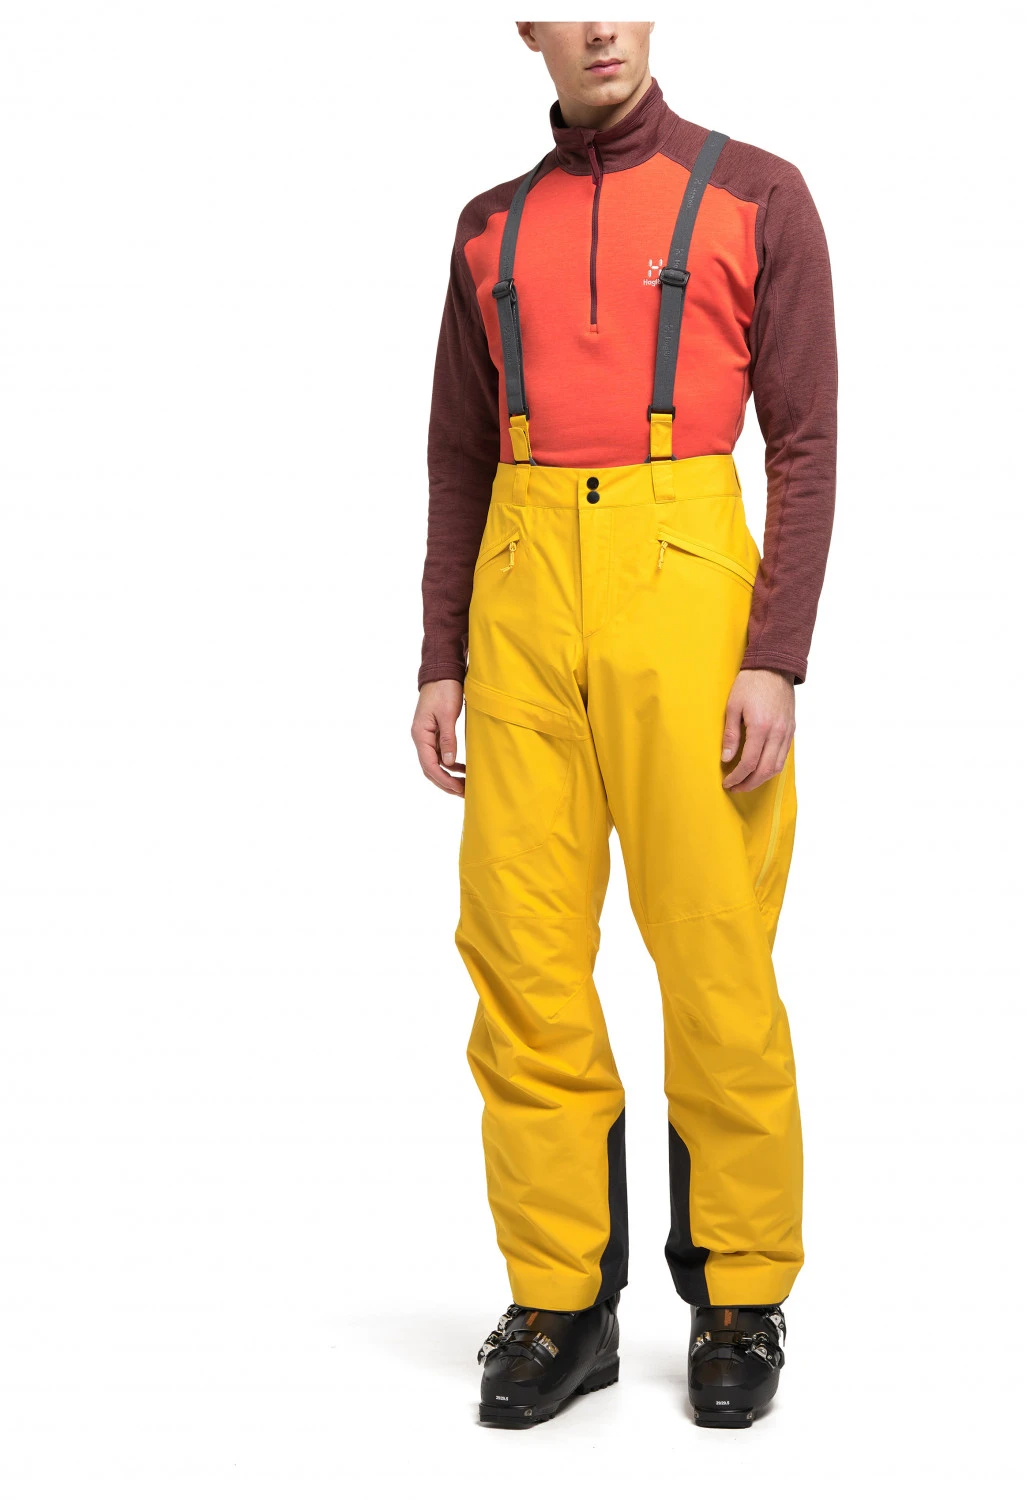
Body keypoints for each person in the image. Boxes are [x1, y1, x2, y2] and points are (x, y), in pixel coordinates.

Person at [410, 20, 835, 1429]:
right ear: (522, 27)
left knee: (714, 950)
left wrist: (774, 656)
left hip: (688, 586)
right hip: (521, 591)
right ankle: (561, 1304)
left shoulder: (756, 195)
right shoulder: (488, 229)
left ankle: (740, 1294)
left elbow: (805, 440)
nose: (598, 24)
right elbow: (460, 453)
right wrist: (442, 657)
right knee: (521, 952)